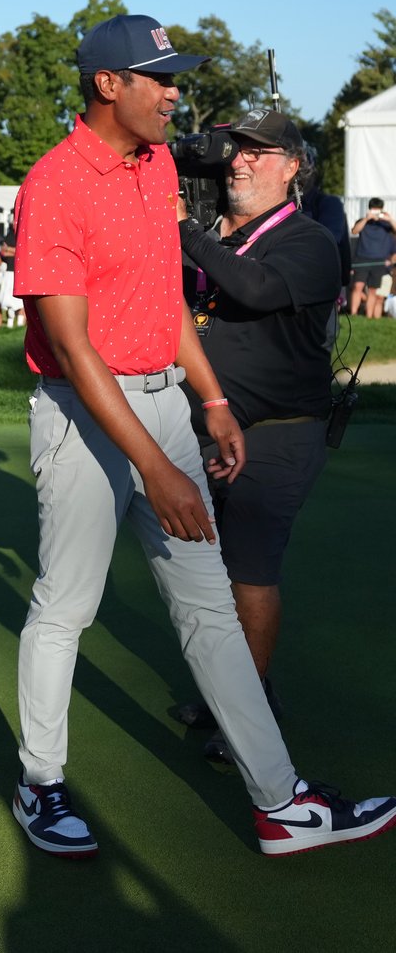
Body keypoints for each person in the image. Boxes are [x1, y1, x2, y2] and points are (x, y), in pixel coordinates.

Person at [9, 14, 395, 859]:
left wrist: (212, 398)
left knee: (211, 604)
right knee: (67, 604)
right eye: (161, 78)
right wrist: (157, 466)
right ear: (109, 85)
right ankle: (40, 781)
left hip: (163, 404)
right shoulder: (54, 184)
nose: (176, 93)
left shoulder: (154, 168)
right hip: (83, 408)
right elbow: (73, 349)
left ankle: (279, 800)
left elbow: (164, 299)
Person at [173, 108, 343, 761]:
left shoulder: (307, 242)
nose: (241, 161)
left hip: (276, 435)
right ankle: (228, 693)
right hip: (208, 430)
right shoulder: (221, 232)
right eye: (236, 150)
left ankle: (246, 706)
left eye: (261, 152)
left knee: (248, 573)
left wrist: (184, 230)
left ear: (293, 166)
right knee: (206, 580)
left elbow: (253, 285)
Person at [349, 198, 395, 317]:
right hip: (362, 258)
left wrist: (390, 219)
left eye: (378, 210)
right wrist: (366, 218)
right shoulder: (363, 222)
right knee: (357, 286)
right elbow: (354, 231)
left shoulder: (386, 224)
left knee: (373, 290)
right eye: (373, 210)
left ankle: (369, 317)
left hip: (379, 261)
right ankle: (353, 314)